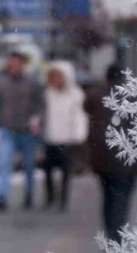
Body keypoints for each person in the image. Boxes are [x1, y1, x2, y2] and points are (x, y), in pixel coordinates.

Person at [84, 64, 137, 244]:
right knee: (122, 200)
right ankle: (117, 237)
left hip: (102, 160)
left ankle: (111, 233)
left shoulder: (96, 96)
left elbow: (87, 111)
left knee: (108, 197)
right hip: (127, 161)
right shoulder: (135, 98)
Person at [0, 51, 44, 211]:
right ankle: (2, 197)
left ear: (22, 65)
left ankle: (29, 194)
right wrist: (0, 122)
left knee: (28, 165)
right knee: (4, 163)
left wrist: (37, 123)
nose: (13, 66)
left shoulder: (32, 83)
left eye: (17, 63)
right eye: (11, 63)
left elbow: (41, 105)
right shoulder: (2, 83)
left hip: (27, 131)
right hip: (8, 130)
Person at [42, 60, 88, 210]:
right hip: (50, 138)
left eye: (58, 76)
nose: (55, 79)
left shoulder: (75, 94)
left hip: (67, 139)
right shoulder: (48, 94)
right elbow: (42, 114)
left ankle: (63, 199)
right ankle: (50, 198)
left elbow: (79, 116)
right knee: (48, 170)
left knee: (65, 171)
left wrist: (79, 136)